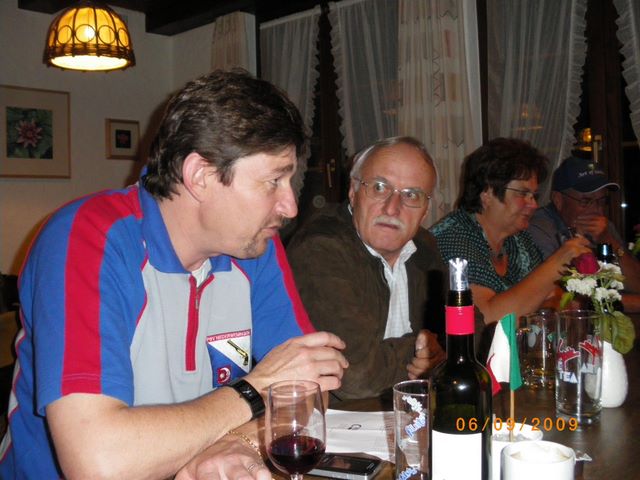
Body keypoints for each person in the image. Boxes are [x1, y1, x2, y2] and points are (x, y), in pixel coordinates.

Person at [0, 70, 348, 480]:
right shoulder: (85, 238)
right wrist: (254, 390)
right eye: (273, 181)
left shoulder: (254, 247)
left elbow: (310, 386)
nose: (290, 206)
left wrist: (240, 442)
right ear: (200, 176)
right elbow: (98, 463)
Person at [286, 136, 446, 404]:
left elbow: (470, 327)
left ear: (426, 210)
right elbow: (354, 375)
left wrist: (442, 352)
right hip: (336, 419)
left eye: (411, 195)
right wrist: (423, 350)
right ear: (353, 191)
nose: (392, 208)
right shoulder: (320, 247)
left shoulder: (423, 246)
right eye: (379, 188)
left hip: (410, 411)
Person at [429, 138, 591, 331]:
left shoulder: (517, 240)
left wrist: (539, 309)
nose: (534, 204)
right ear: (487, 193)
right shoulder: (454, 237)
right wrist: (558, 263)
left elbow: (555, 297)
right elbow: (486, 321)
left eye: (534, 195)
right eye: (522, 194)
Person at [527, 155, 640, 305]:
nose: (597, 210)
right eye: (585, 201)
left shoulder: (604, 228)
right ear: (558, 200)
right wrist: (632, 304)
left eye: (602, 201)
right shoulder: (538, 229)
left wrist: (609, 240)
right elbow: (562, 298)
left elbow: (637, 284)